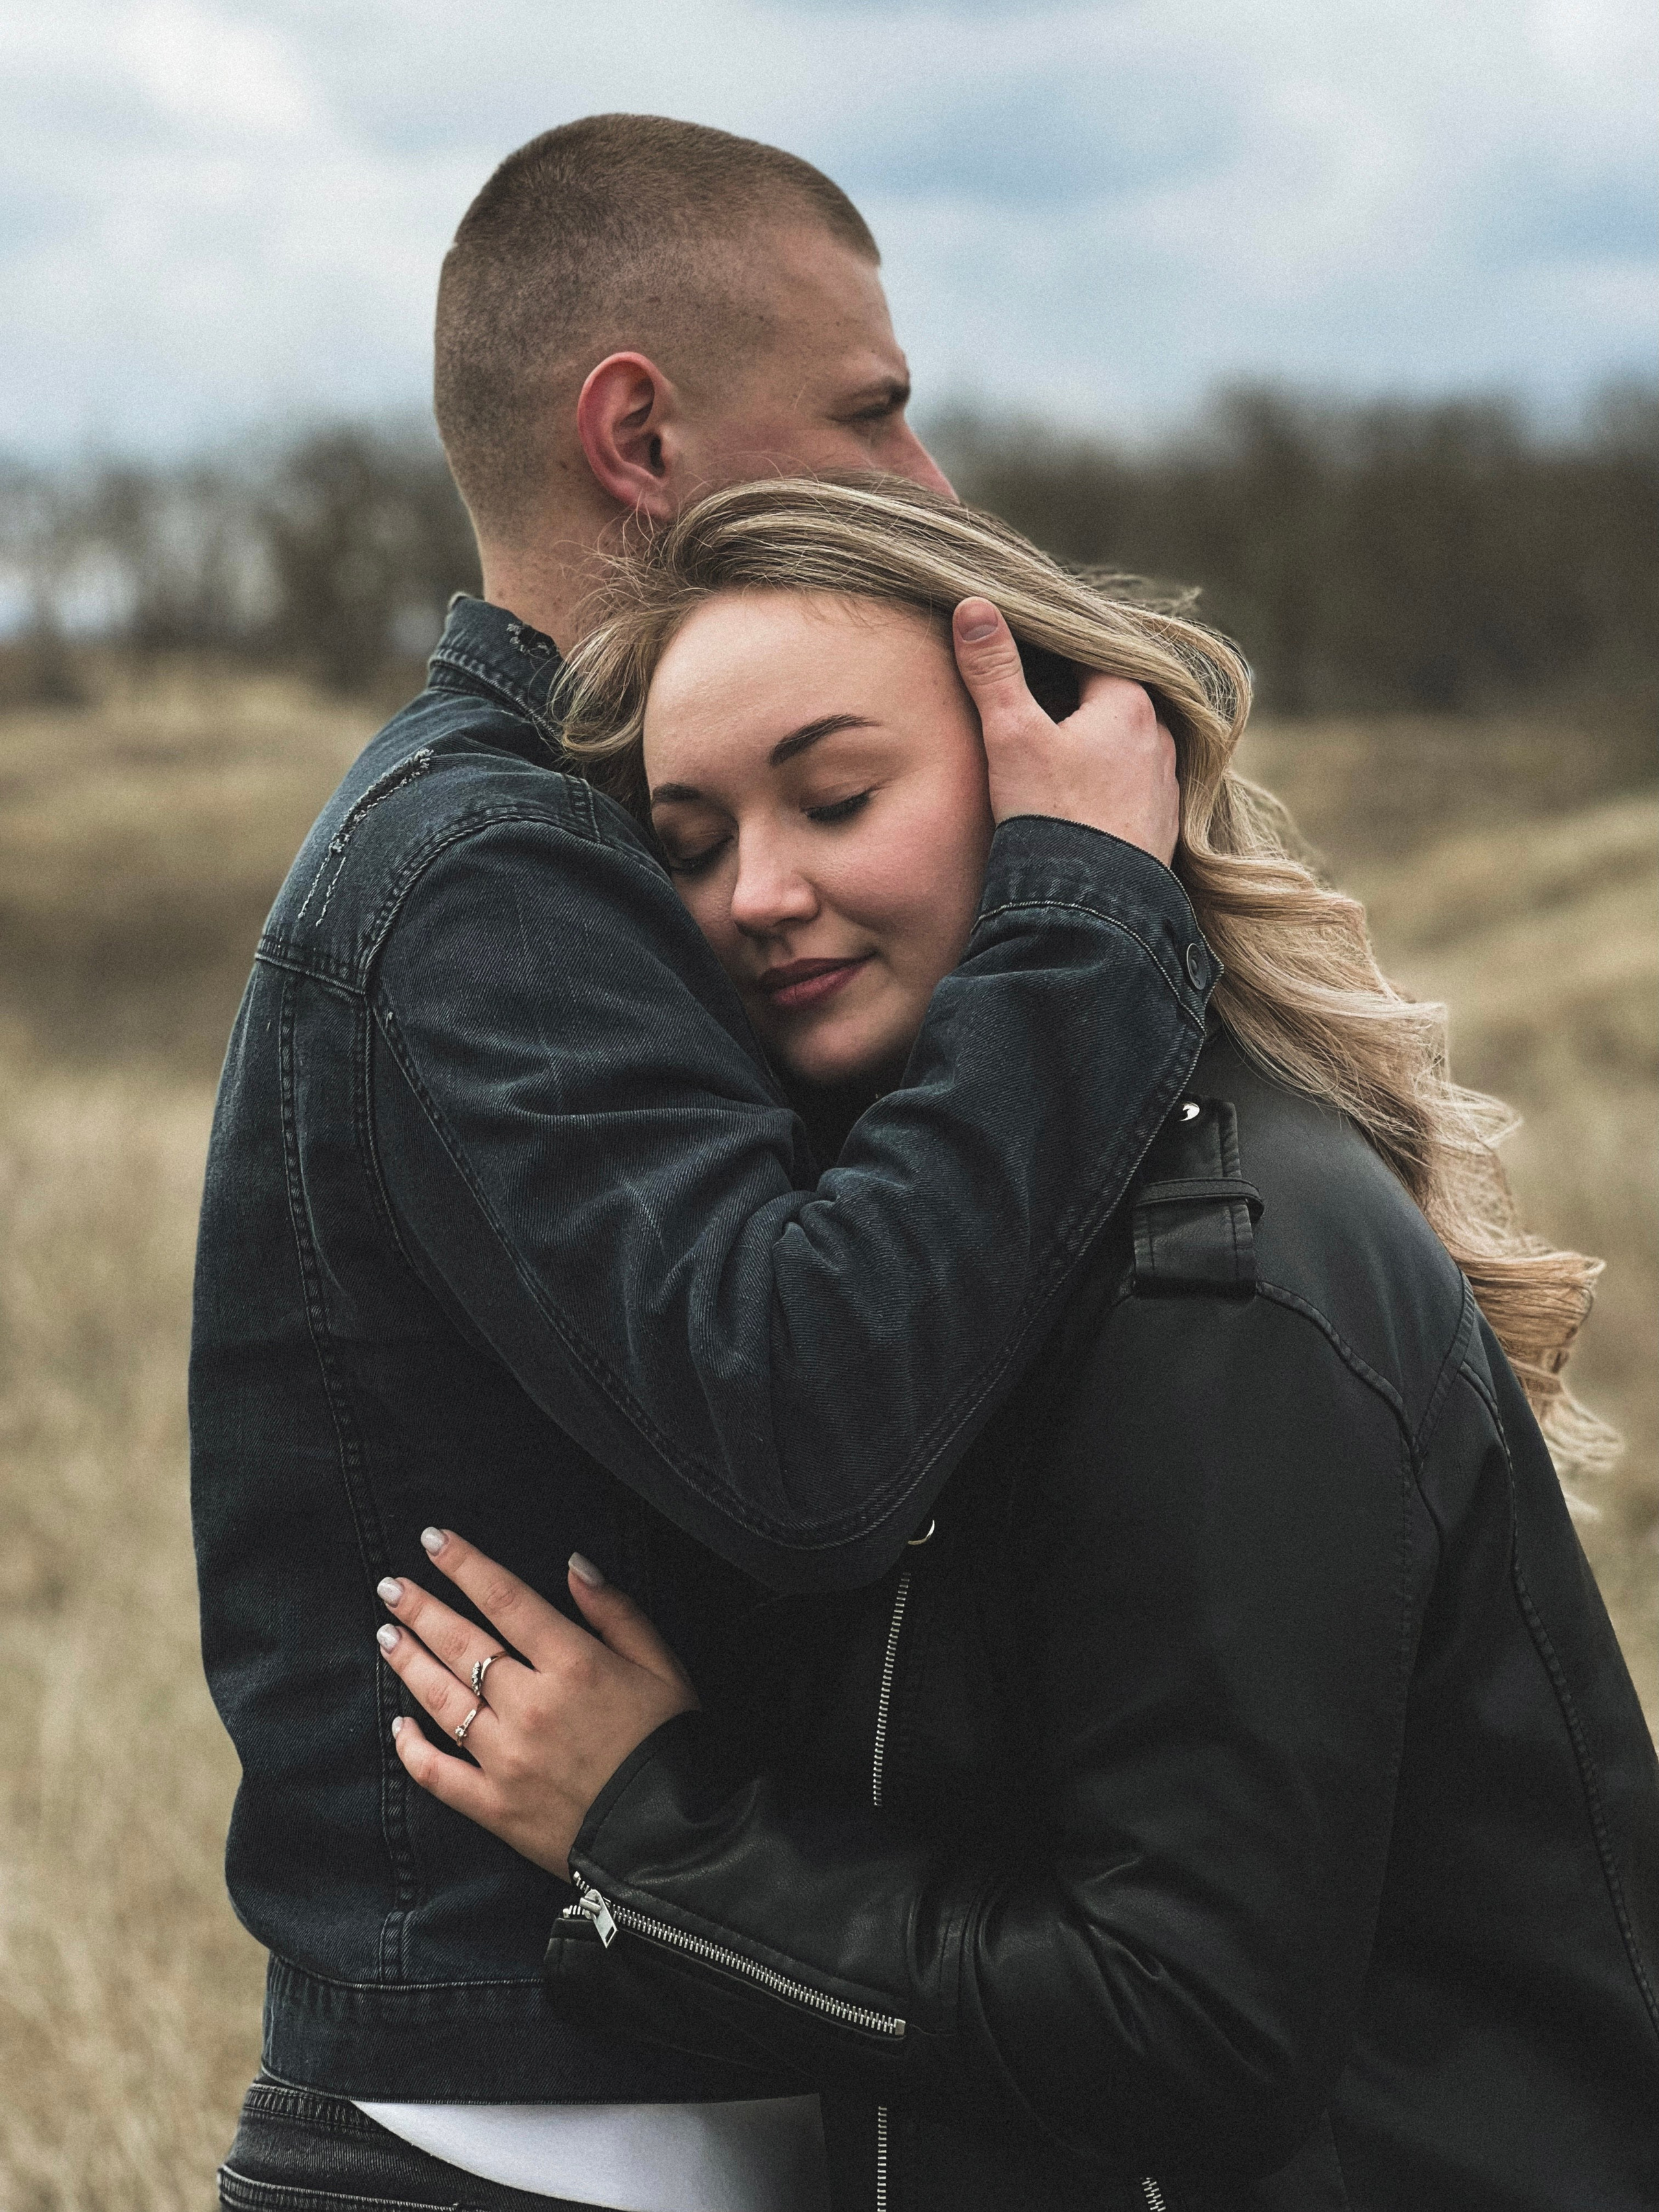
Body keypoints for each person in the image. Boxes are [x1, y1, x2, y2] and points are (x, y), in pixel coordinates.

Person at [373, 477, 1659, 2212]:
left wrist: (654, 1829)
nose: (757, 891)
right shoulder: (917, 1253)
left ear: (1049, 787)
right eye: (686, 843)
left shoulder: (1220, 1281)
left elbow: (1189, 2023)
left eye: (838, 796)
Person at [196, 117, 1212, 2212]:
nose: (933, 487)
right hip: (524, 2148)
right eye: (875, 412)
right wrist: (1087, 908)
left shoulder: (588, 855)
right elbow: (812, 1416)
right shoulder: (484, 876)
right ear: (639, 436)